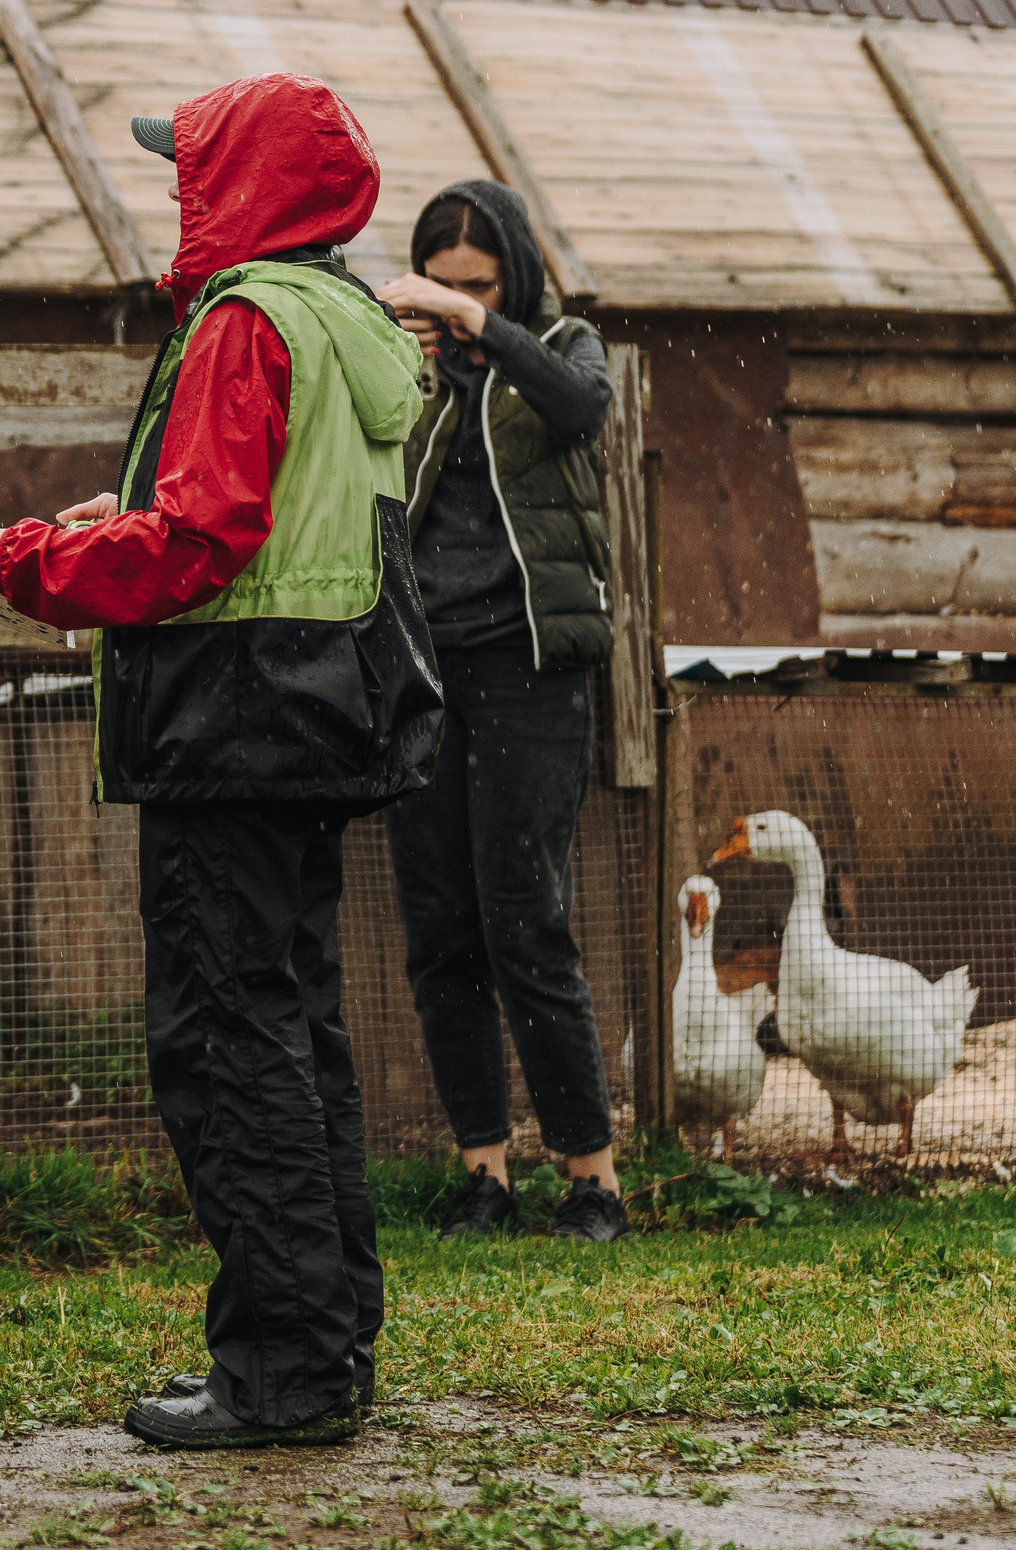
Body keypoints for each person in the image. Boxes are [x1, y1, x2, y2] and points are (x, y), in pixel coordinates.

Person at [0, 73, 442, 1450]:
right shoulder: (344, 316)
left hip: (233, 723)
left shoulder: (243, 322)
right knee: (296, 1035)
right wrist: (130, 508)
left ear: (248, 186)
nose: (177, 189)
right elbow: (268, 518)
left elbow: (202, 545)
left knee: (227, 1046)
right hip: (319, 719)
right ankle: (324, 1347)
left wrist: (22, 560)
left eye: (192, 167)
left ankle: (277, 1372)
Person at [375, 180, 627, 1243]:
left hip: (531, 670)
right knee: (441, 930)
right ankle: (483, 1172)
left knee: (527, 919)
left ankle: (591, 1179)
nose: (453, 300)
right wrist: (410, 357)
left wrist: (488, 330)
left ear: (509, 279)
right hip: (427, 672)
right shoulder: (411, 371)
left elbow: (582, 410)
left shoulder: (562, 348)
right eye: (439, 284)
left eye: (474, 286)